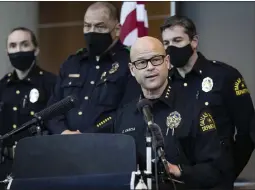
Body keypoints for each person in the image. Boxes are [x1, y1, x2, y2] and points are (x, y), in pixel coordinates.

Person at [113, 36, 233, 190]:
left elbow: (216, 170)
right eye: (142, 63)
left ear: (167, 62)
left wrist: (179, 171)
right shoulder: (124, 115)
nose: (150, 67)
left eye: (156, 59)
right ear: (132, 70)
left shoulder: (194, 109)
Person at [160, 15, 255, 179]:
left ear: (194, 41)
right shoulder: (165, 83)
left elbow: (247, 131)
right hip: (177, 179)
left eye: (177, 40)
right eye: (166, 43)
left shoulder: (224, 76)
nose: (171, 48)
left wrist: (230, 170)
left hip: (216, 178)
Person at [47, 2, 139, 135]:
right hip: (65, 145)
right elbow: (53, 109)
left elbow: (127, 111)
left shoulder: (128, 63)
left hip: (106, 146)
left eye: (99, 27)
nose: (92, 31)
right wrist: (63, 132)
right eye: (87, 26)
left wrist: (89, 135)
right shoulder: (72, 64)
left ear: (117, 29)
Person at [0, 27, 56, 189]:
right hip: (5, 168)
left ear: (36, 50)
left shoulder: (51, 84)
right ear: (7, 51)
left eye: (24, 45)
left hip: (39, 165)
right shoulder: (1, 87)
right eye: (13, 46)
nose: (18, 50)